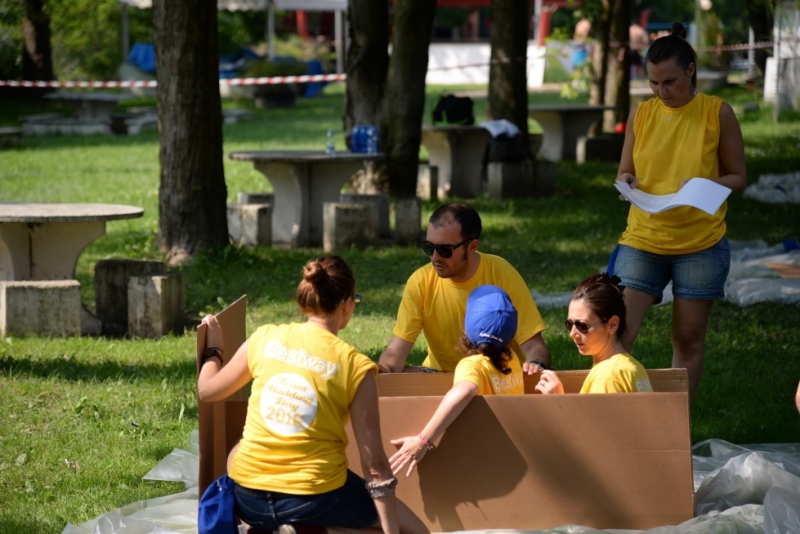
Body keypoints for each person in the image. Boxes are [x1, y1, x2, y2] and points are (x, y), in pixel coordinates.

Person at [198, 256, 428, 534]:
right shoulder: (355, 366)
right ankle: (311, 529)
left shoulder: (264, 338)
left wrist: (214, 351)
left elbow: (207, 390)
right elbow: (376, 467)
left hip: (248, 499)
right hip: (315, 498)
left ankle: (270, 526)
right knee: (415, 530)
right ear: (348, 304)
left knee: (239, 449)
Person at [613, 23, 746, 405]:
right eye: (654, 83)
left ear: (690, 70)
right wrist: (626, 181)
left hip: (700, 243)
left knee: (687, 340)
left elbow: (738, 176)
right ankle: (612, 417)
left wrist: (705, 186)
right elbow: (626, 171)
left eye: (669, 81)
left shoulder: (717, 112)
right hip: (643, 237)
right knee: (615, 334)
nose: (661, 91)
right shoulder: (641, 115)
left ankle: (675, 429)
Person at [377, 203, 550, 375]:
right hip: (441, 375)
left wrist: (536, 363)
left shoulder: (502, 274)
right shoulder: (419, 282)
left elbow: (535, 346)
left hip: (496, 374)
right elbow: (396, 351)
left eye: (445, 250)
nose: (435, 257)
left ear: (472, 246)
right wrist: (383, 369)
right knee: (403, 378)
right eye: (429, 247)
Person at [388, 285, 522, 476]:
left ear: (467, 326)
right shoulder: (513, 360)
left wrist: (423, 441)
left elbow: (463, 392)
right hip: (508, 453)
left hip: (479, 458)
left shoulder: (472, 366)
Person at [536, 273, 653, 395]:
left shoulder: (607, 377)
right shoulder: (634, 366)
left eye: (582, 325)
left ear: (612, 325)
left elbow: (600, 415)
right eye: (569, 324)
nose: (572, 333)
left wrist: (558, 401)